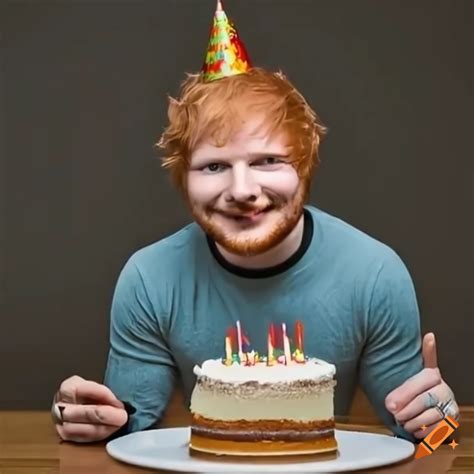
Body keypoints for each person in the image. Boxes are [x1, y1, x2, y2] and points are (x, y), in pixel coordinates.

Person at [51, 0, 458, 444]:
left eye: (267, 161)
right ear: (182, 179)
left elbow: (421, 432)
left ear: (302, 167)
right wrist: (92, 419)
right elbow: (129, 428)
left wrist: (438, 422)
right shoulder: (149, 279)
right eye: (213, 167)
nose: (242, 189)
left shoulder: (375, 274)